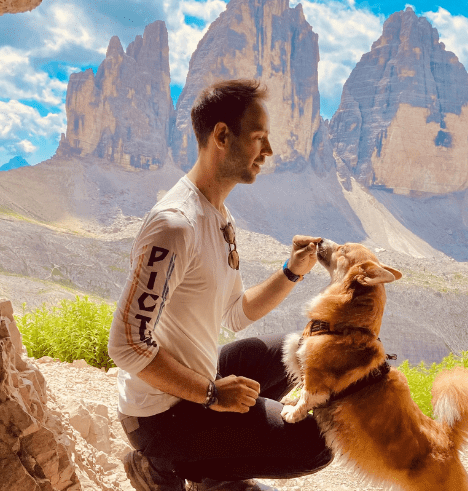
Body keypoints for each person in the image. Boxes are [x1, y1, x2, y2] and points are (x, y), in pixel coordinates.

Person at [107, 79, 333, 491]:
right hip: (160, 416)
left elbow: (236, 312)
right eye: (259, 138)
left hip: (194, 382)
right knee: (318, 442)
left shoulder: (218, 214)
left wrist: (293, 270)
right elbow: (125, 344)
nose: (268, 152)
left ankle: (214, 472)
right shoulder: (175, 225)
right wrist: (213, 395)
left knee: (300, 352)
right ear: (223, 136)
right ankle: (161, 466)